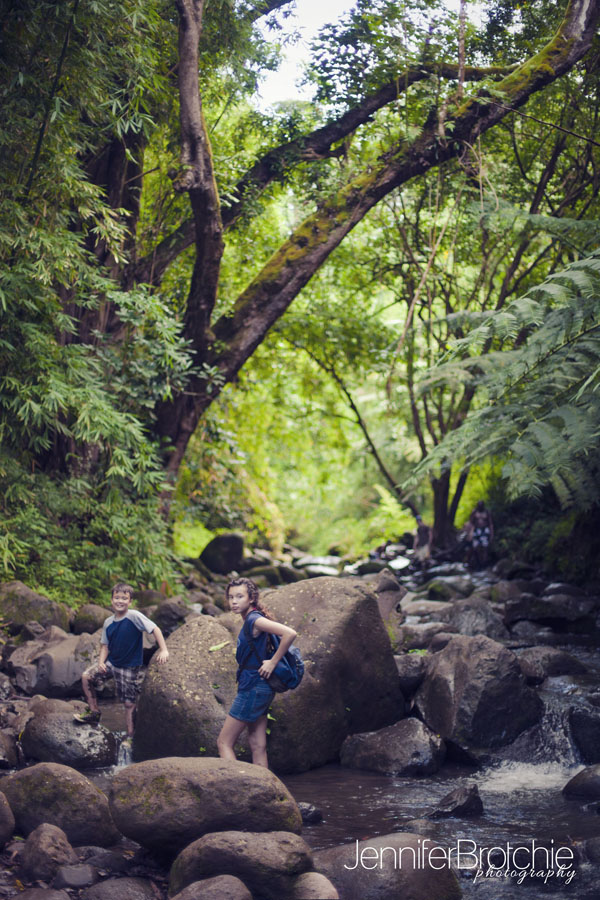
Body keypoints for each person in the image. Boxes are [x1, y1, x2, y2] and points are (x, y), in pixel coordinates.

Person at [217, 577, 297, 769]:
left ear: (251, 598)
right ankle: (264, 791)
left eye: (239, 596)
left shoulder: (254, 619)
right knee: (257, 744)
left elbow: (290, 633)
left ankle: (233, 788)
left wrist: (272, 662)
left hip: (253, 687)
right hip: (260, 687)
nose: (234, 601)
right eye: (231, 597)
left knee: (224, 742)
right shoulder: (251, 618)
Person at [75, 582, 169, 738]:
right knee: (86, 677)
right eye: (117, 597)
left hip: (129, 667)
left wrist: (164, 649)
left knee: (128, 703)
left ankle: (131, 735)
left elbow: (155, 629)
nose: (120, 601)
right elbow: (104, 645)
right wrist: (100, 663)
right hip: (112, 663)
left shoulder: (134, 616)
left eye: (124, 598)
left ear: (130, 601)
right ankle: (94, 712)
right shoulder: (108, 623)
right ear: (111, 600)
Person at [466, 500, 494, 568]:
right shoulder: (474, 512)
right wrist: (470, 533)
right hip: (476, 530)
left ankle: (484, 562)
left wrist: (491, 534)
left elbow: (490, 524)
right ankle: (477, 562)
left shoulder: (487, 512)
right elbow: (471, 523)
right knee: (475, 547)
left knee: (485, 547)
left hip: (485, 530)